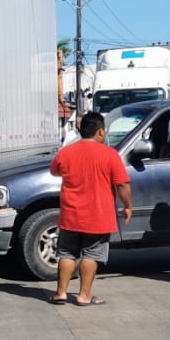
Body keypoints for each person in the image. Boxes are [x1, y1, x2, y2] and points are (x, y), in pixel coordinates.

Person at [47, 110, 133, 305]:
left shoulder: (66, 152)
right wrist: (128, 205)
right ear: (100, 132)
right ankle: (84, 295)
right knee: (92, 254)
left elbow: (54, 171)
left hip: (71, 214)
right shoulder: (110, 155)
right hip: (98, 216)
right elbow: (122, 185)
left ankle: (61, 293)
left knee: (67, 253)